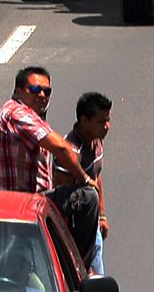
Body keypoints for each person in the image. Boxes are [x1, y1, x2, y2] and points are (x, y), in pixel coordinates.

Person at [0, 67, 98, 259]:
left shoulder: (29, 116)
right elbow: (62, 149)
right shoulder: (17, 114)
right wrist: (83, 178)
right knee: (87, 197)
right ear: (18, 91)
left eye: (47, 91)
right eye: (35, 90)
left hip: (24, 201)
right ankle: (78, 269)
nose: (42, 95)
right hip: (19, 203)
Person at [52, 92, 111, 274]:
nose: (107, 126)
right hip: (75, 230)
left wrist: (102, 215)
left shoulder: (96, 142)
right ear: (84, 121)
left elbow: (96, 177)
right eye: (102, 122)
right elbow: (62, 194)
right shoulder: (70, 153)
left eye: (108, 120)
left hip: (93, 227)